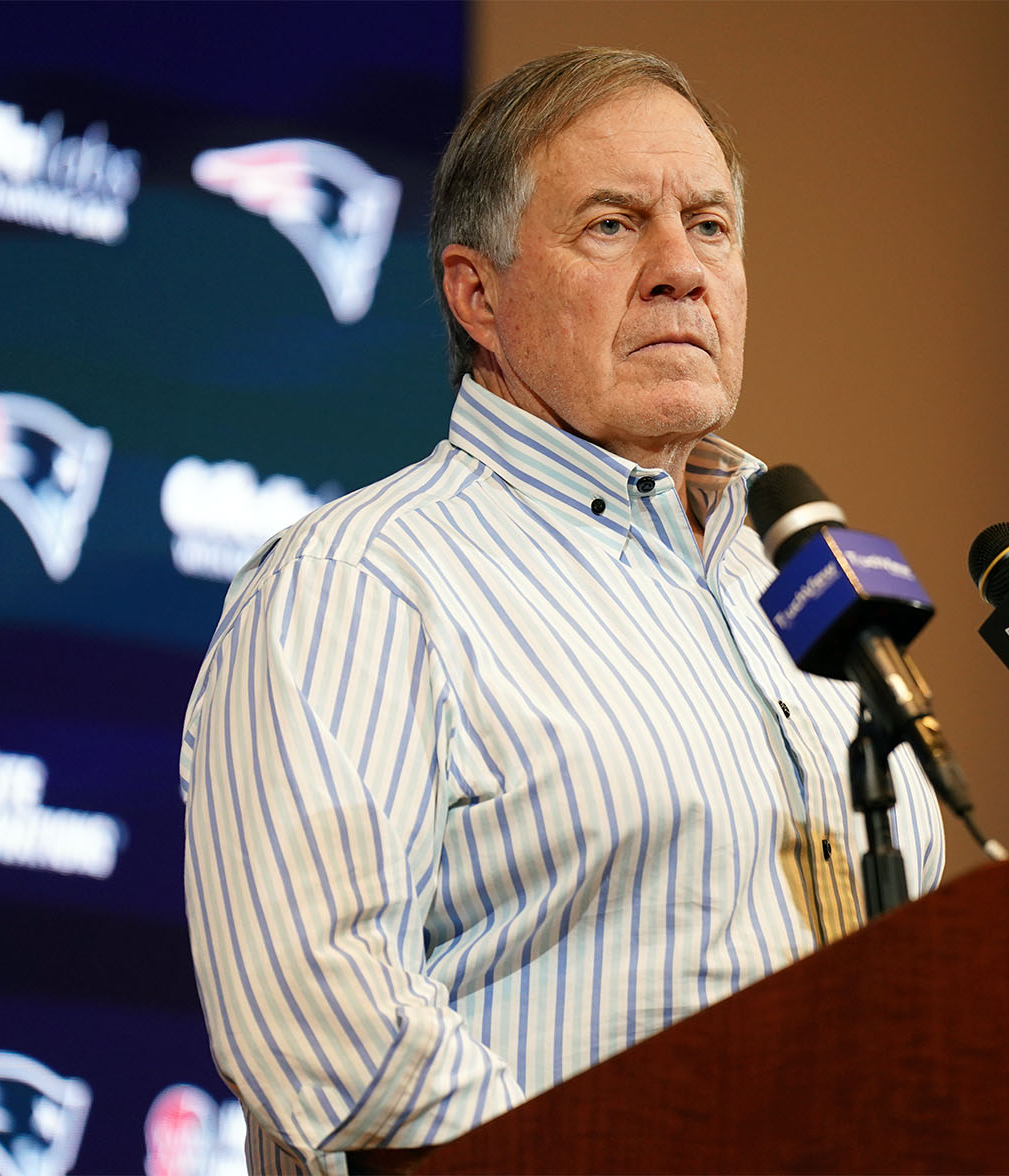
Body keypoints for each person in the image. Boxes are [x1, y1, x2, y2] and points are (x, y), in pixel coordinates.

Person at [181, 46, 945, 1175]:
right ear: (475, 295)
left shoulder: (802, 588)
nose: (680, 268)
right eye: (613, 225)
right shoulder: (366, 580)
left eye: (711, 225)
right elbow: (316, 1003)